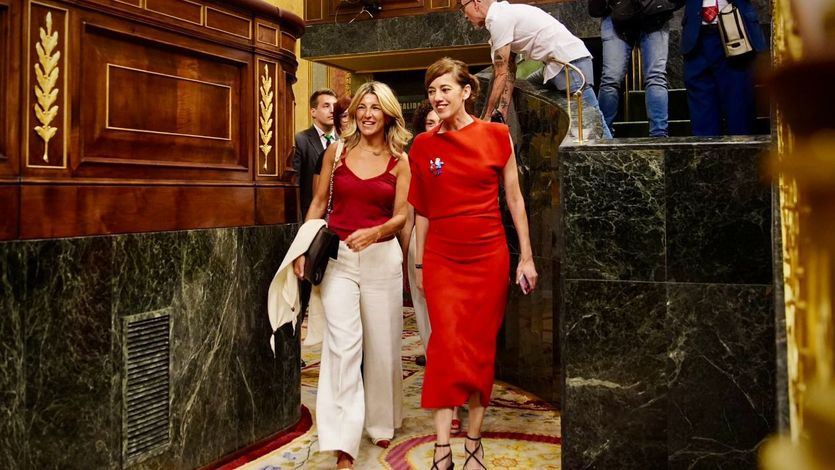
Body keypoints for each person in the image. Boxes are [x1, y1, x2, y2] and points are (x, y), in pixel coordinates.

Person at [409, 57, 538, 470]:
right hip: (443, 258)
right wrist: (419, 266)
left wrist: (528, 257)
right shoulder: (423, 146)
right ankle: (442, 448)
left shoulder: (497, 135)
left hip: (488, 255)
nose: (437, 97)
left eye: (445, 89)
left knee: (480, 349)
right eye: (432, 91)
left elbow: (515, 199)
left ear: (466, 91)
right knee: (445, 347)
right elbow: (424, 212)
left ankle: (474, 441)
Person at [293, 81, 412, 469]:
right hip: (339, 260)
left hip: (381, 259)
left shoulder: (401, 160)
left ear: (389, 114)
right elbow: (316, 203)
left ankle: (381, 420)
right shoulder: (336, 152)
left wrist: (377, 232)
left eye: (376, 108)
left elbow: (401, 215)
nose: (367, 114)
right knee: (343, 348)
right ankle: (343, 441)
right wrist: (301, 248)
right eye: (362, 106)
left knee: (381, 346)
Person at [460, 0, 612, 138]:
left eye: (463, 8)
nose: (465, 16)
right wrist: (502, 109)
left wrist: (486, 117)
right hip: (555, 66)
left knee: (593, 117)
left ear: (476, 3)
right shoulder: (503, 14)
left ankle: (615, 163)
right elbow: (510, 69)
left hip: (570, 64)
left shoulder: (499, 19)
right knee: (527, 85)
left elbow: (501, 73)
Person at [589, 0, 676, 137]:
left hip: (654, 14)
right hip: (615, 15)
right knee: (611, 79)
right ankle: (603, 135)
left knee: (656, 77)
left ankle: (659, 137)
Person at [678, 0, 766, 135]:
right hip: (696, 38)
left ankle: (741, 155)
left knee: (739, 112)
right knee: (703, 119)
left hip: (736, 33)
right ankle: (707, 155)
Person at [294, 88, 337, 219]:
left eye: (335, 106)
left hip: (340, 218)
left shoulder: (345, 142)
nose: (332, 110)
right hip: (312, 215)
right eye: (326, 106)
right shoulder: (300, 140)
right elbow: (296, 186)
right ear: (313, 112)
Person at [313, 95, 353, 193]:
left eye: (352, 114)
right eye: (344, 116)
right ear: (338, 123)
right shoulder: (329, 154)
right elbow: (318, 201)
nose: (350, 119)